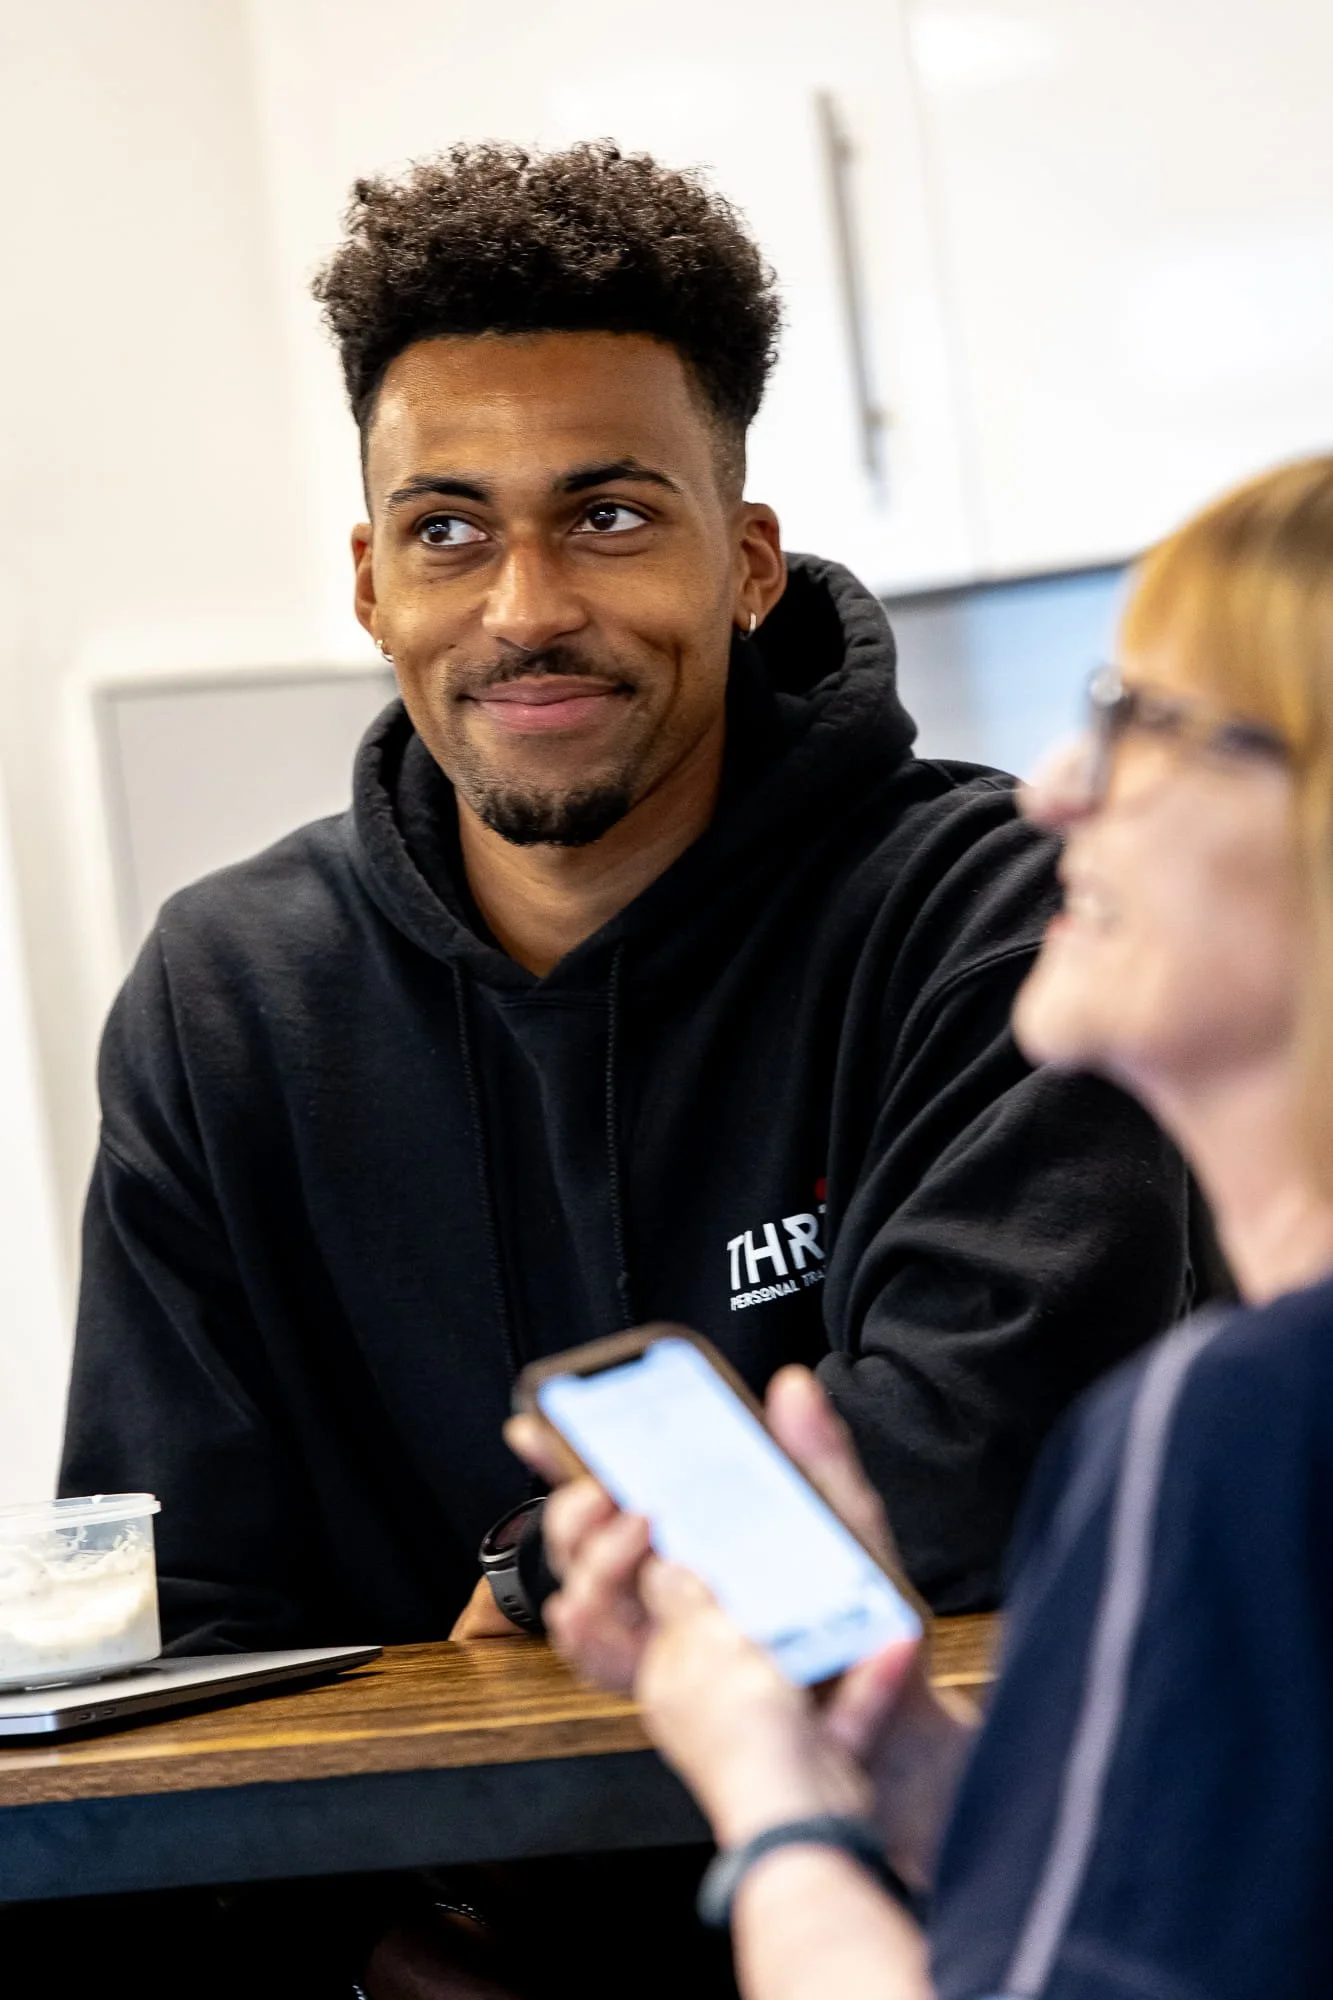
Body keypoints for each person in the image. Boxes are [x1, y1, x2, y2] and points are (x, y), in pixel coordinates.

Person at [56, 142, 1186, 1994]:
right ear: (367, 582)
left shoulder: (1003, 917)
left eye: (605, 517)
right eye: (446, 529)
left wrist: (524, 1585)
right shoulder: (227, 995)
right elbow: (185, 1629)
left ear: (745, 561)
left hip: (947, 1931)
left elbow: (975, 1465)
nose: (520, 607)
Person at [518, 451, 1333, 1999]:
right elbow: (1181, 1920)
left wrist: (771, 1801)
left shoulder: (1240, 1427)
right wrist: (893, 1753)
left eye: (1142, 723)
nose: (1055, 790)